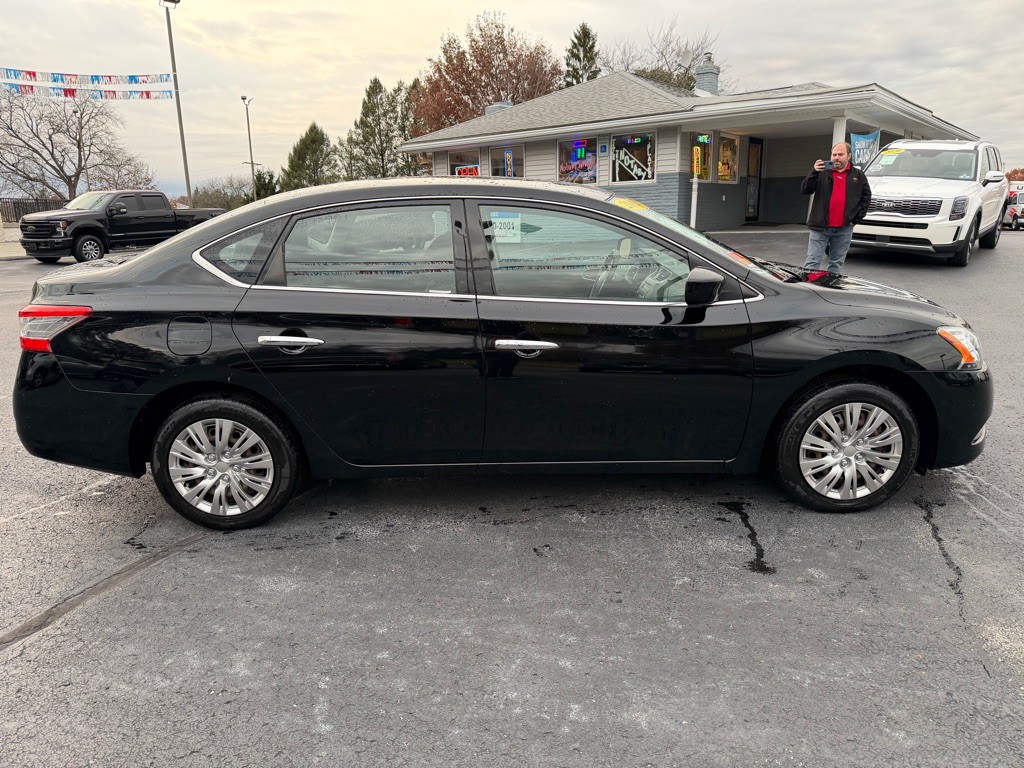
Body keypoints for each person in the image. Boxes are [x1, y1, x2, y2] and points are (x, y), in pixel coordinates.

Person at [801, 142, 871, 273]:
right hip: (820, 227)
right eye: (834, 154)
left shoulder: (858, 175)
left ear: (849, 156)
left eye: (840, 154)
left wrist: (854, 219)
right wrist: (813, 172)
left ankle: (831, 292)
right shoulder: (822, 172)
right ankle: (808, 290)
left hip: (844, 229)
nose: (836, 158)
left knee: (836, 265)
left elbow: (866, 198)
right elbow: (805, 190)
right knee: (812, 263)